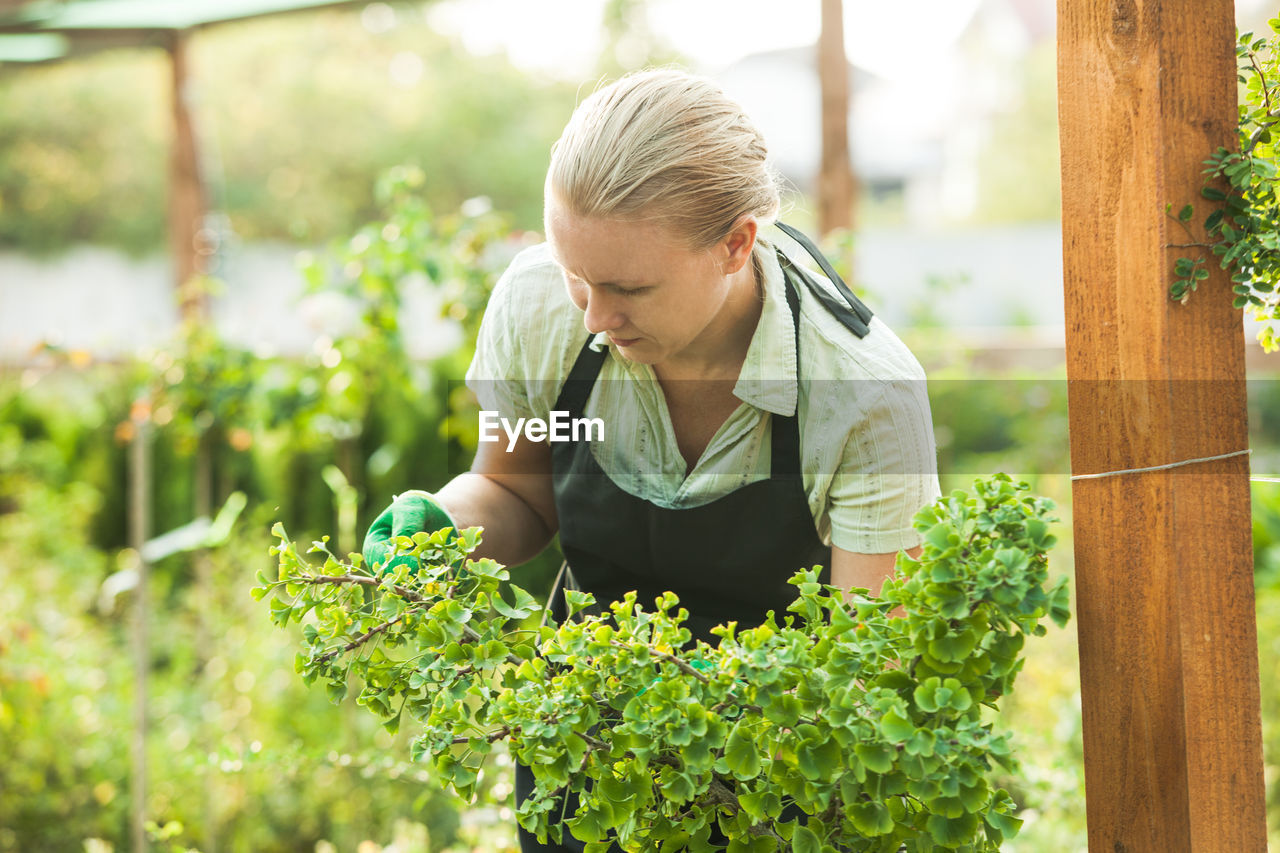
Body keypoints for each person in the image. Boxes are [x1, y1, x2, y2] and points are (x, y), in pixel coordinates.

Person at [363, 68, 940, 853]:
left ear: (737, 243)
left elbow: (870, 674)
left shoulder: (864, 396)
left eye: (628, 286)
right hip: (583, 760)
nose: (595, 317)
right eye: (577, 274)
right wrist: (443, 524)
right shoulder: (539, 307)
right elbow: (516, 492)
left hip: (778, 785)